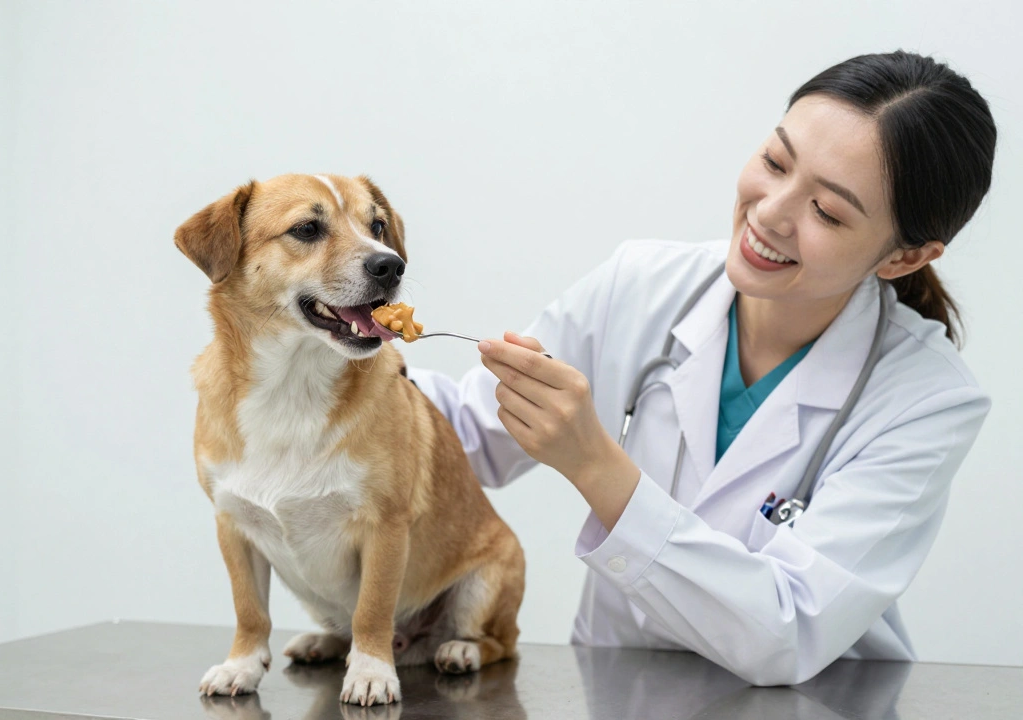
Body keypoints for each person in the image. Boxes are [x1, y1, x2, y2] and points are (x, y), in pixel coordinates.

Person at [407, 50, 996, 686]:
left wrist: (594, 465)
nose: (770, 212)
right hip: (620, 690)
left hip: (817, 701)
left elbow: (787, 630)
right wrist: (338, 375)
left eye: (827, 211)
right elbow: (462, 440)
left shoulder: (928, 398)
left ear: (906, 257)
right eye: (775, 162)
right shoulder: (642, 285)